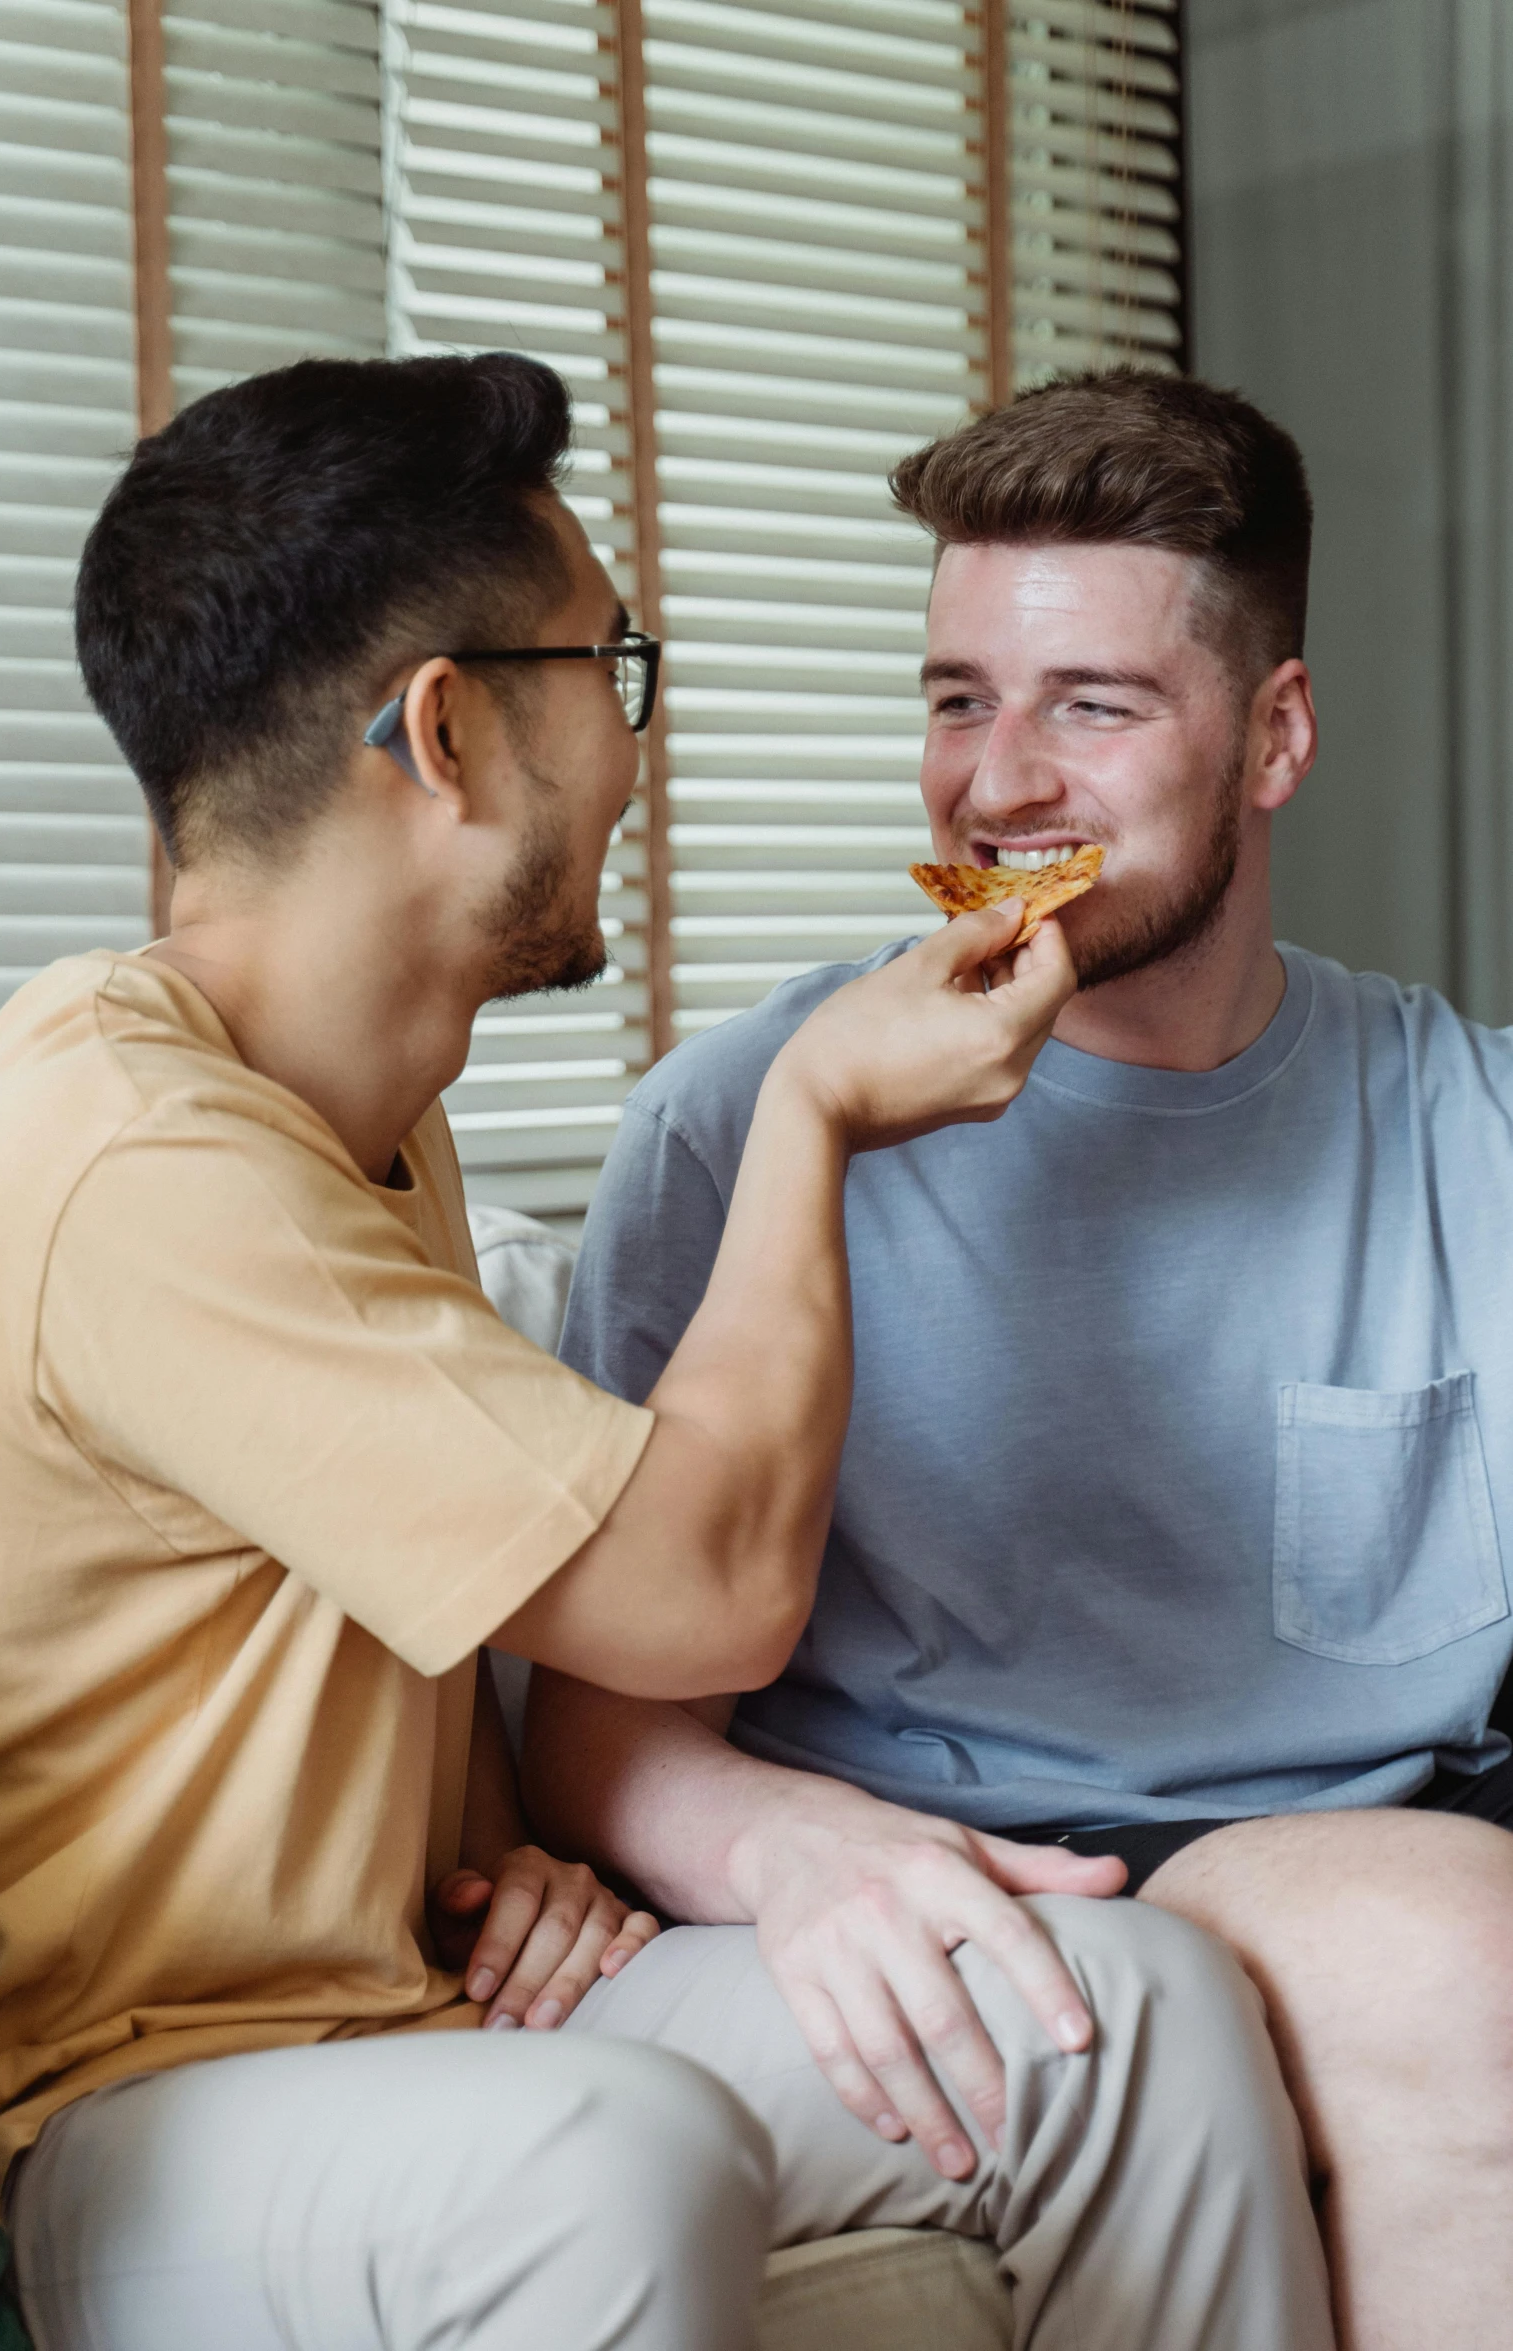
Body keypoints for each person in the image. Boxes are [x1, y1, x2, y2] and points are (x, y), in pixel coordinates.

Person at [0, 354, 1331, 2351]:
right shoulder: (132, 1161)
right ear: (449, 736)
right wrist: (817, 1115)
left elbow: (422, 1633)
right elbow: (701, 1589)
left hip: (421, 2010)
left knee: (1123, 2021)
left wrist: (522, 1853)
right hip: (125, 2117)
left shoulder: (360, 1114)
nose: (637, 744)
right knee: (605, 2152)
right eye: (616, 667)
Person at [548, 369, 1513, 2351]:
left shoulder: (1468, 1129)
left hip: (1392, 1813)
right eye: (956, 698)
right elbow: (584, 1714)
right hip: (973, 1855)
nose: (997, 785)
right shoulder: (741, 1121)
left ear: (1278, 734)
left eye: (1095, 704)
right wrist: (785, 1838)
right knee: (1452, 1959)